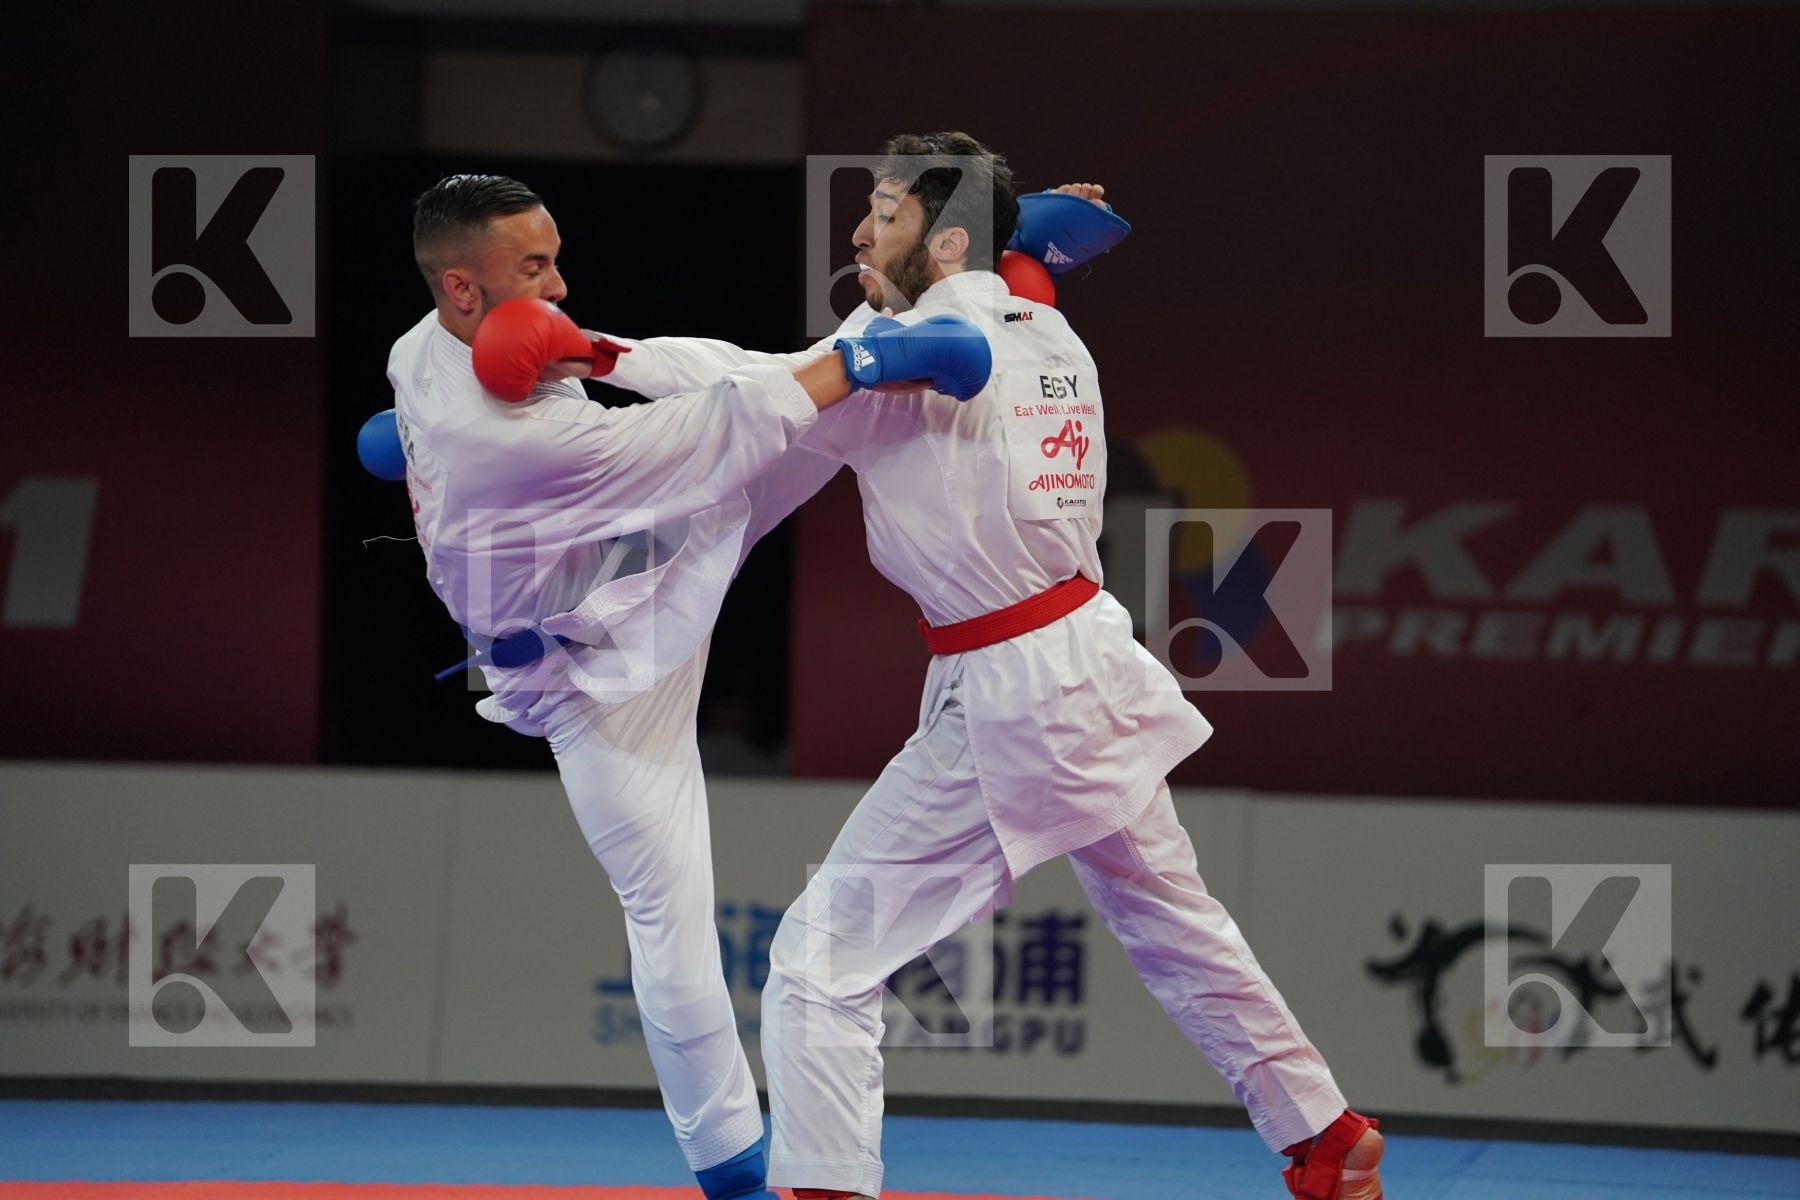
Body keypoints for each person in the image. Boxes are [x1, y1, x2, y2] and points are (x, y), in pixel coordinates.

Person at [587, 135, 1384, 1200]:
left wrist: (594, 353)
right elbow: (1004, 272)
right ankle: (1323, 1133)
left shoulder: (910, 355)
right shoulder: (1043, 326)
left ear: (947, 236)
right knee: (1171, 919)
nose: (860, 232)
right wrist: (1029, 232)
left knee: (819, 969)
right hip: (1084, 660)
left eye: (885, 213)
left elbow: (751, 385)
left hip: (1018, 696)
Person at [384, 174, 990, 1200]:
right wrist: (855, 362)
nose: (561, 283)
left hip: (629, 558)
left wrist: (391, 438)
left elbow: (674, 386)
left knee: (825, 417)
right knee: (666, 914)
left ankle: (996, 277)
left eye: (556, 255)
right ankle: (735, 1176)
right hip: (596, 679)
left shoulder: (418, 347)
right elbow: (718, 432)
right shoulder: (516, 440)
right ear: (460, 290)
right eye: (534, 269)